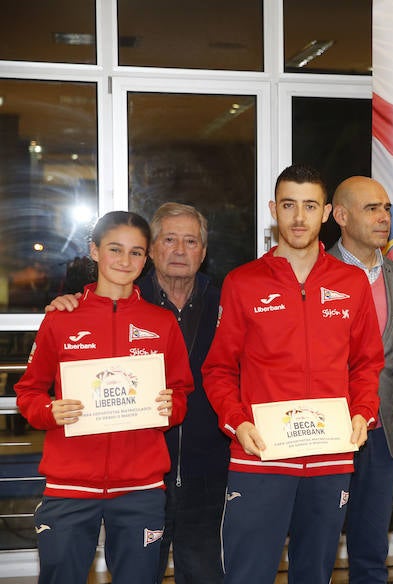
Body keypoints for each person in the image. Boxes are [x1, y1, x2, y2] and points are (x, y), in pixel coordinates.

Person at [202, 164, 384, 584]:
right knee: (247, 575)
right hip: (261, 456)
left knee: (315, 575)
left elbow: (368, 362)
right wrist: (237, 421)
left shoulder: (351, 282)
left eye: (309, 206)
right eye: (288, 205)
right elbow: (218, 368)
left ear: (325, 213)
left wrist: (363, 411)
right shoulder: (242, 282)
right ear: (274, 210)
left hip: (330, 457)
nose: (299, 218)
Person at [48, 203, 229, 583]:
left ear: (204, 251)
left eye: (191, 241)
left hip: (208, 469)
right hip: (142, 475)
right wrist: (66, 304)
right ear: (153, 252)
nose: (180, 249)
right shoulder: (126, 297)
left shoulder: (227, 301)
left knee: (204, 572)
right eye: (169, 239)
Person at [15, 211, 194, 583]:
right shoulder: (61, 318)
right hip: (69, 485)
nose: (125, 261)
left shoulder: (161, 323)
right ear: (94, 251)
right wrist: (50, 411)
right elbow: (28, 393)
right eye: (115, 249)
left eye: (136, 252)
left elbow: (181, 394)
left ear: (146, 259)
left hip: (140, 488)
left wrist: (169, 407)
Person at [328, 176, 393, 584]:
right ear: (341, 216)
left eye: (387, 208)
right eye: (371, 209)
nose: (384, 218)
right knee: (319, 541)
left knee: (372, 546)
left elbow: (387, 359)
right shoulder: (317, 275)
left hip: (379, 428)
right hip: (328, 426)